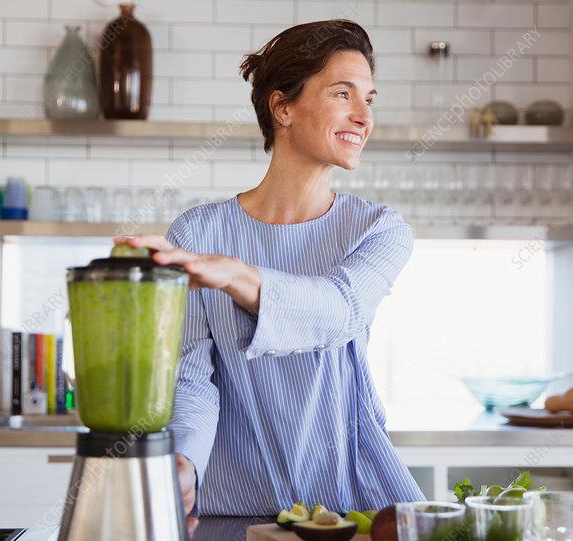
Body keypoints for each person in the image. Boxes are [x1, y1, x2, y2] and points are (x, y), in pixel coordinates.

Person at [119, 19, 424, 533]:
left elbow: (338, 311)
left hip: (354, 504)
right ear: (282, 107)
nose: (363, 115)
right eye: (343, 93)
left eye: (370, 98)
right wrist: (185, 462)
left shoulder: (377, 229)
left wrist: (237, 276)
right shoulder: (199, 231)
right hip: (233, 506)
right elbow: (194, 377)